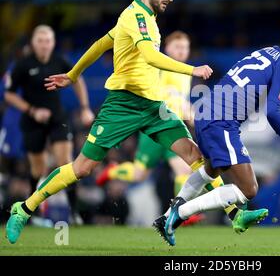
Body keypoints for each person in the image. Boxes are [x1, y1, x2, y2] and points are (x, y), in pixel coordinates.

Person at [5, 0, 262, 245]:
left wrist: (73, 74)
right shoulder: (135, 16)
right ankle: (24, 208)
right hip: (122, 105)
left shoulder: (147, 18)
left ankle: (234, 212)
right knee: (81, 168)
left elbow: (102, 43)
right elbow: (151, 57)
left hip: (154, 106)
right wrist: (192, 69)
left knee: (197, 157)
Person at [161, 21, 280, 246]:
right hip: (221, 122)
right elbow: (271, 112)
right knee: (249, 189)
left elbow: (255, 89)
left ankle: (168, 216)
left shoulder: (269, 53)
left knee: (210, 170)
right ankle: (177, 214)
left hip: (206, 113)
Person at [95, 30, 266, 228]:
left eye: (185, 47)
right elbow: (166, 96)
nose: (181, 51)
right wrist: (188, 113)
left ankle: (185, 212)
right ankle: (113, 171)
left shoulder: (186, 71)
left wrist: (189, 111)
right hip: (155, 129)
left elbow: (179, 99)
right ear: (167, 48)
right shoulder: (162, 67)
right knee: (139, 174)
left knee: (185, 168)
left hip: (172, 129)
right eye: (177, 47)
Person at [4, 25, 94, 224]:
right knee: (38, 169)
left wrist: (85, 107)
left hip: (57, 118)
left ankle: (74, 212)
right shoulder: (23, 65)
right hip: (32, 119)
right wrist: (32, 111)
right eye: (40, 41)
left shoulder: (59, 60)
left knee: (67, 163)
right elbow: (9, 94)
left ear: (53, 43)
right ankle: (32, 212)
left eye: (48, 41)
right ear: (33, 43)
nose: (44, 45)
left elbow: (77, 78)